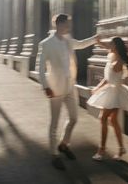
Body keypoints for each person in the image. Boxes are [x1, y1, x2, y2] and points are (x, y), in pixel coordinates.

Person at [39, 13, 98, 170]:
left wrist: (96, 38)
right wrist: (46, 87)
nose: (69, 27)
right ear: (58, 24)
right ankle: (54, 154)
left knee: (73, 118)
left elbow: (81, 44)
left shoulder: (68, 40)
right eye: (67, 24)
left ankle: (64, 144)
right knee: (54, 122)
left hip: (70, 86)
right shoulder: (46, 44)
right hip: (55, 88)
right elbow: (40, 68)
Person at [87, 37, 128, 161]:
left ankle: (101, 150)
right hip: (112, 91)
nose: (109, 45)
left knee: (103, 118)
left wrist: (99, 88)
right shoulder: (111, 56)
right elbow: (106, 78)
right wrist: (97, 87)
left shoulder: (119, 61)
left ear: (115, 46)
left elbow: (111, 79)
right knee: (113, 120)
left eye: (111, 43)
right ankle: (121, 148)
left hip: (115, 93)